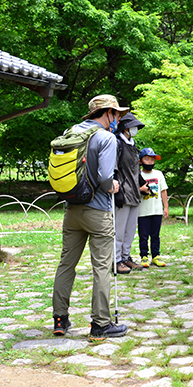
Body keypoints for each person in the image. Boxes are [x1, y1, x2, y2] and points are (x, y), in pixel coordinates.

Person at [52, 94, 129, 340]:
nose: (118, 119)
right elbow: (106, 178)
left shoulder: (71, 132)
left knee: (66, 264)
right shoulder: (106, 138)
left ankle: (60, 319)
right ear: (107, 113)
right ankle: (101, 325)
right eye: (116, 114)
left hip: (72, 209)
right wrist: (114, 186)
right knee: (102, 268)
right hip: (98, 211)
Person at [113, 113, 146, 274]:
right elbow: (113, 168)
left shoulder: (133, 145)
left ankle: (126, 257)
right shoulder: (117, 143)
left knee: (130, 230)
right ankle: (116, 259)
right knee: (119, 229)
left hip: (134, 193)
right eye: (133, 127)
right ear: (126, 127)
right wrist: (116, 191)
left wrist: (143, 184)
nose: (135, 130)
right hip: (122, 192)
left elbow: (135, 169)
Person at [138, 148, 169, 268]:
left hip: (156, 210)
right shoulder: (138, 175)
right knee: (143, 235)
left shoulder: (158, 174)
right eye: (147, 159)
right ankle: (144, 256)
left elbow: (163, 191)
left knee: (155, 235)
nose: (150, 162)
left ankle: (156, 255)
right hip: (142, 211)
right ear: (140, 161)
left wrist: (165, 207)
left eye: (152, 159)